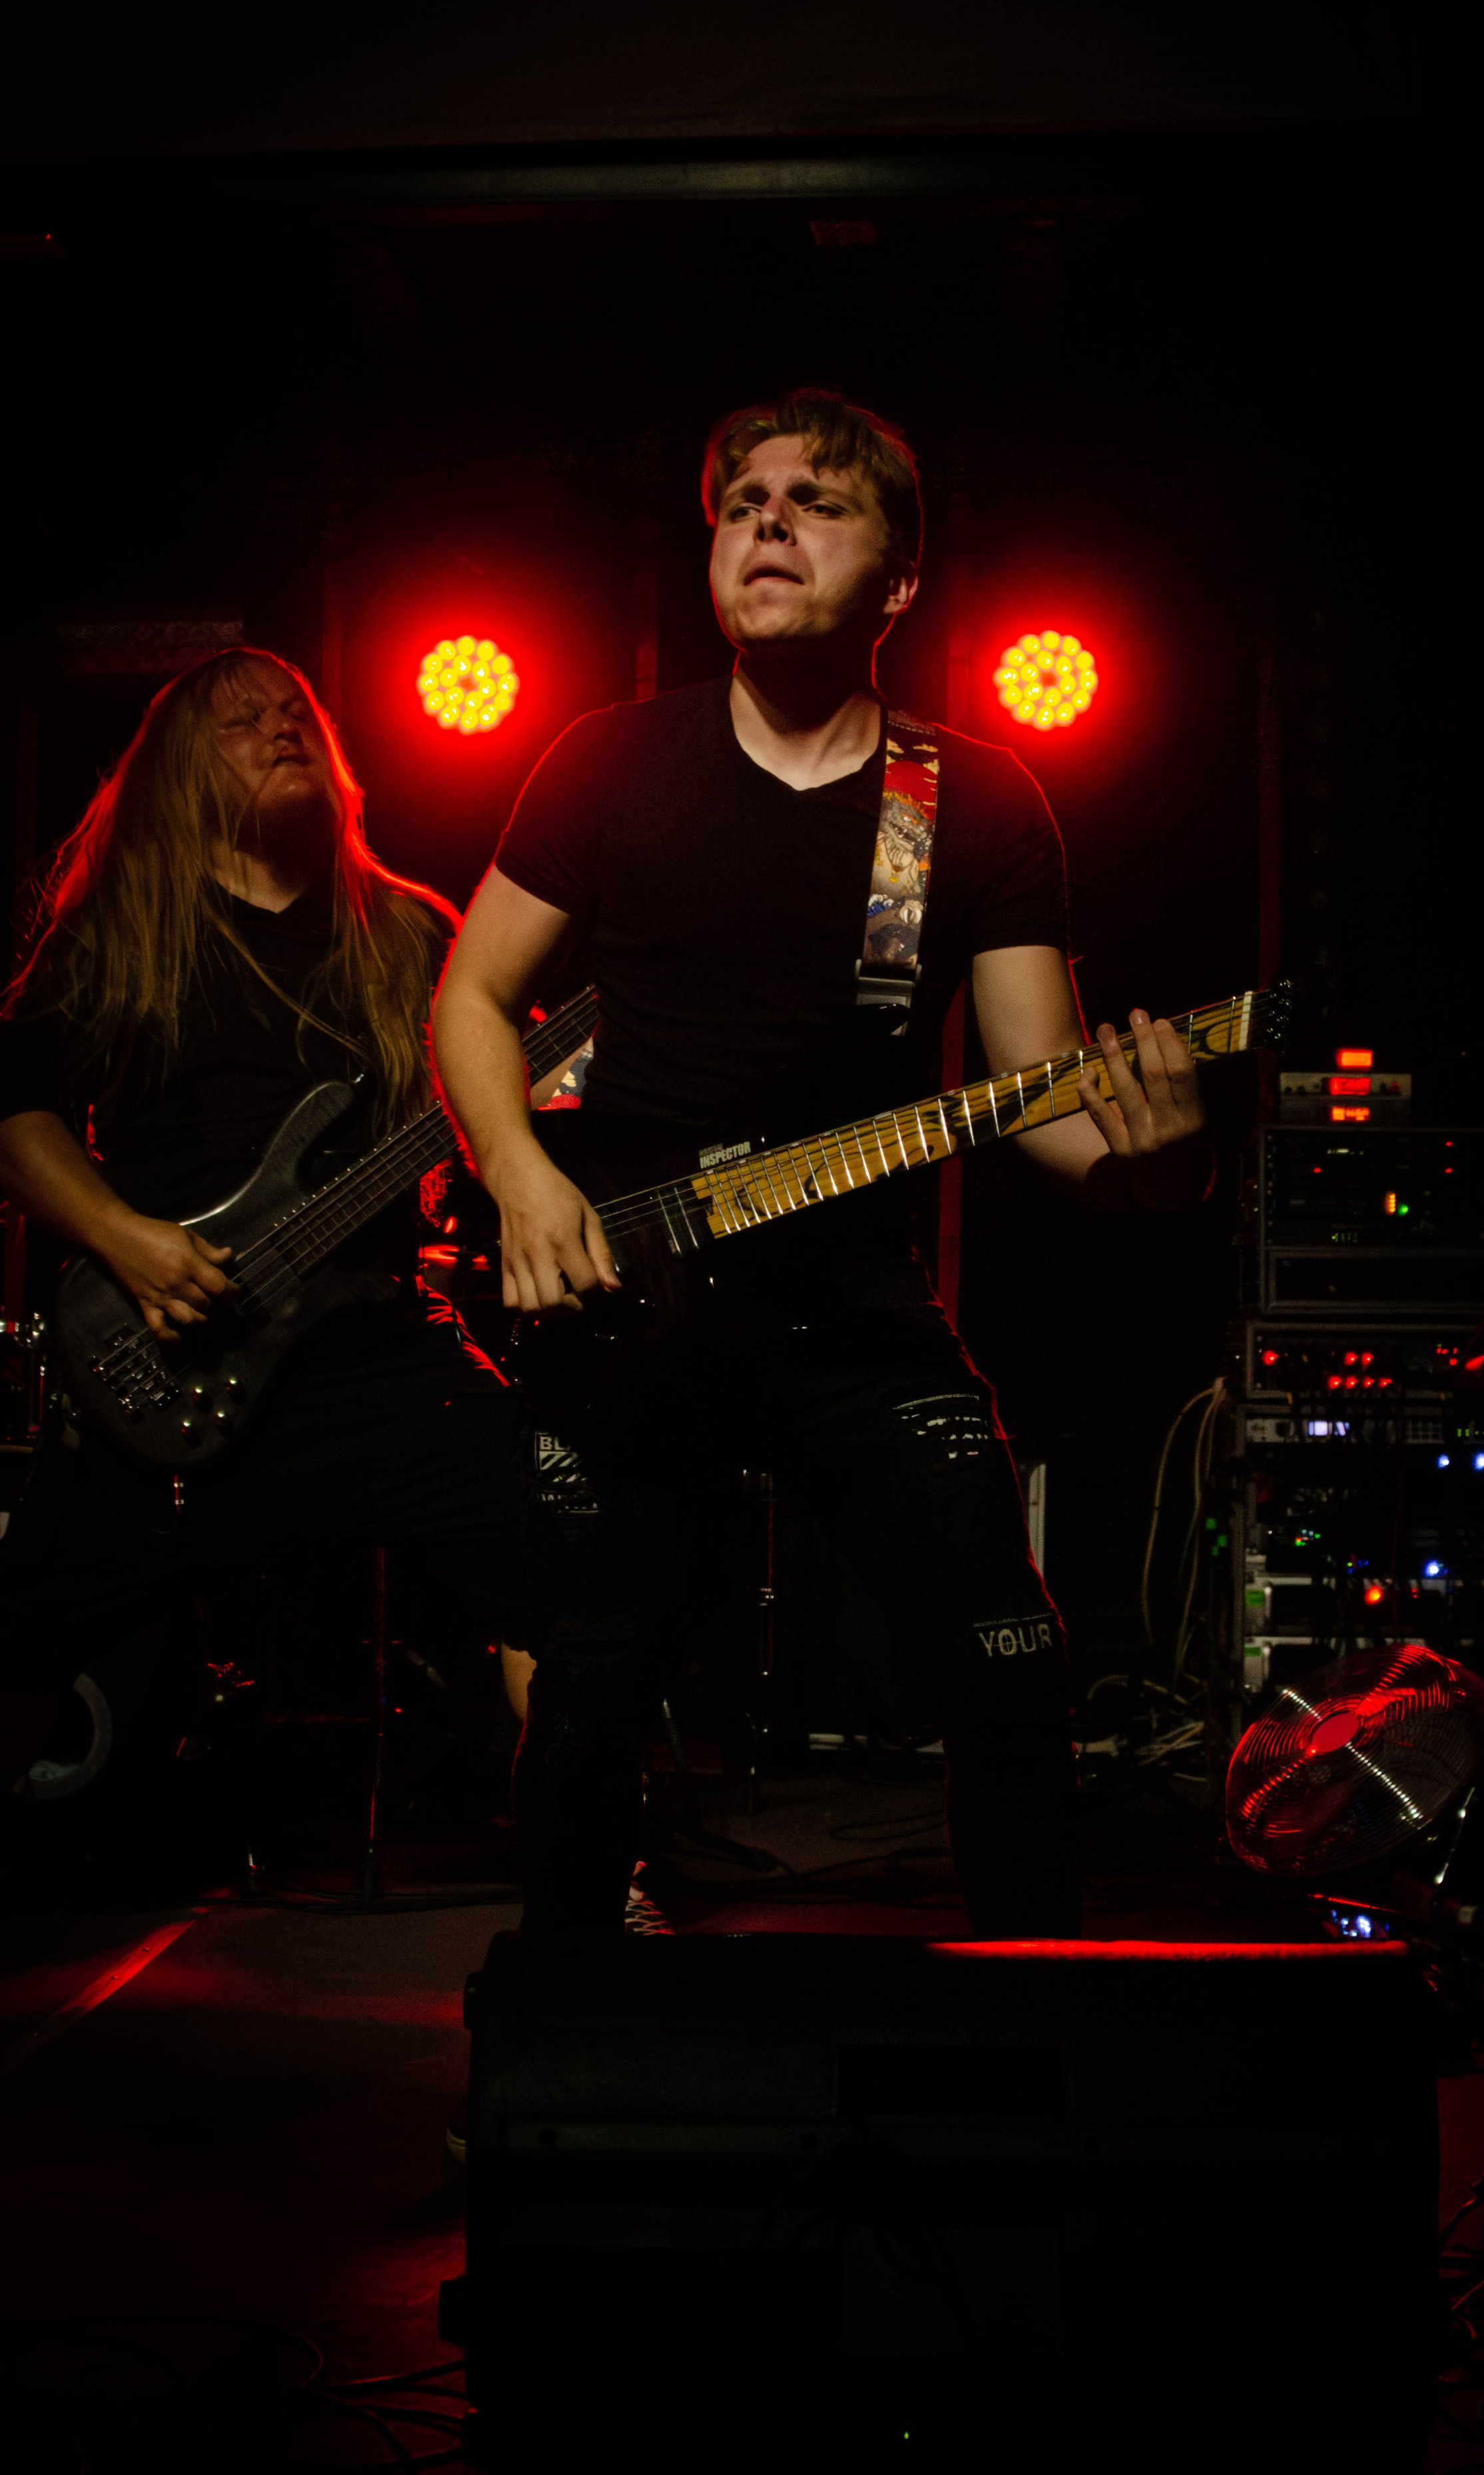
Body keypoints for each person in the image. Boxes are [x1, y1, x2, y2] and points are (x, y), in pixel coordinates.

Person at [431, 389, 1212, 1941]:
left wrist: (1159, 1166)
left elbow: (1036, 1097)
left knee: (1011, 1669)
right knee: (586, 1691)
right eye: (741, 503)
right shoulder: (605, 759)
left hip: (849, 1308)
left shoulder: (969, 799)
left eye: (816, 501)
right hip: (633, 1298)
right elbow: (470, 996)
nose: (767, 522)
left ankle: (1028, 2023)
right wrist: (520, 1175)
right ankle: (564, 2019)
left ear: (900, 579)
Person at [0, 650, 565, 1814]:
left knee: (553, 1560)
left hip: (373, 1355)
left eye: (295, 712)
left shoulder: (410, 932)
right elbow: (14, 1115)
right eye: (239, 721)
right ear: (176, 772)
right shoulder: (121, 931)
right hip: (164, 1355)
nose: (279, 728)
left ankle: (593, 1866)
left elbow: (516, 1090)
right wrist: (124, 1238)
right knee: (17, 1633)